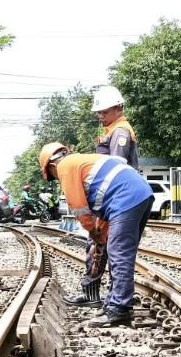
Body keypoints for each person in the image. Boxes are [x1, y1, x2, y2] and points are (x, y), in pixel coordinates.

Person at [39, 142, 153, 327]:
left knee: (119, 254)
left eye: (51, 176)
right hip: (140, 194)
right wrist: (99, 234)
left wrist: (91, 230)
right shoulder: (83, 161)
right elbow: (104, 201)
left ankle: (119, 309)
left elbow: (79, 207)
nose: (56, 178)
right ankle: (114, 303)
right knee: (120, 252)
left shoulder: (65, 167)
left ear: (51, 166)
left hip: (126, 198)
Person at [67, 84, 145, 308]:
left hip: (114, 199)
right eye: (99, 112)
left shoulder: (120, 132)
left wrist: (103, 206)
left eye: (104, 111)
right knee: (106, 246)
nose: (100, 116)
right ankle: (105, 295)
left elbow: (115, 167)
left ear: (118, 108)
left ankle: (106, 297)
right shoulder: (112, 130)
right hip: (114, 199)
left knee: (102, 245)